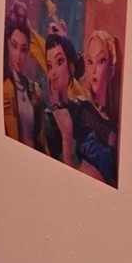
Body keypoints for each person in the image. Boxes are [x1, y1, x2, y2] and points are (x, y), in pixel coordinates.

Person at [72, 29, 122, 186]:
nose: (93, 71)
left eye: (101, 61)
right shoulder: (81, 109)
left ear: (111, 69)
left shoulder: (115, 123)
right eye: (89, 61)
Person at [2, 5, 44, 149]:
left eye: (24, 49)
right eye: (14, 46)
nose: (19, 56)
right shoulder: (4, 87)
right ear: (8, 44)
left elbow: (42, 140)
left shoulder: (35, 90)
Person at [40, 25, 82, 167]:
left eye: (59, 62)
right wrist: (65, 136)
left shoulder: (81, 109)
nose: (53, 73)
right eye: (49, 66)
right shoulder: (47, 119)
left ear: (71, 66)